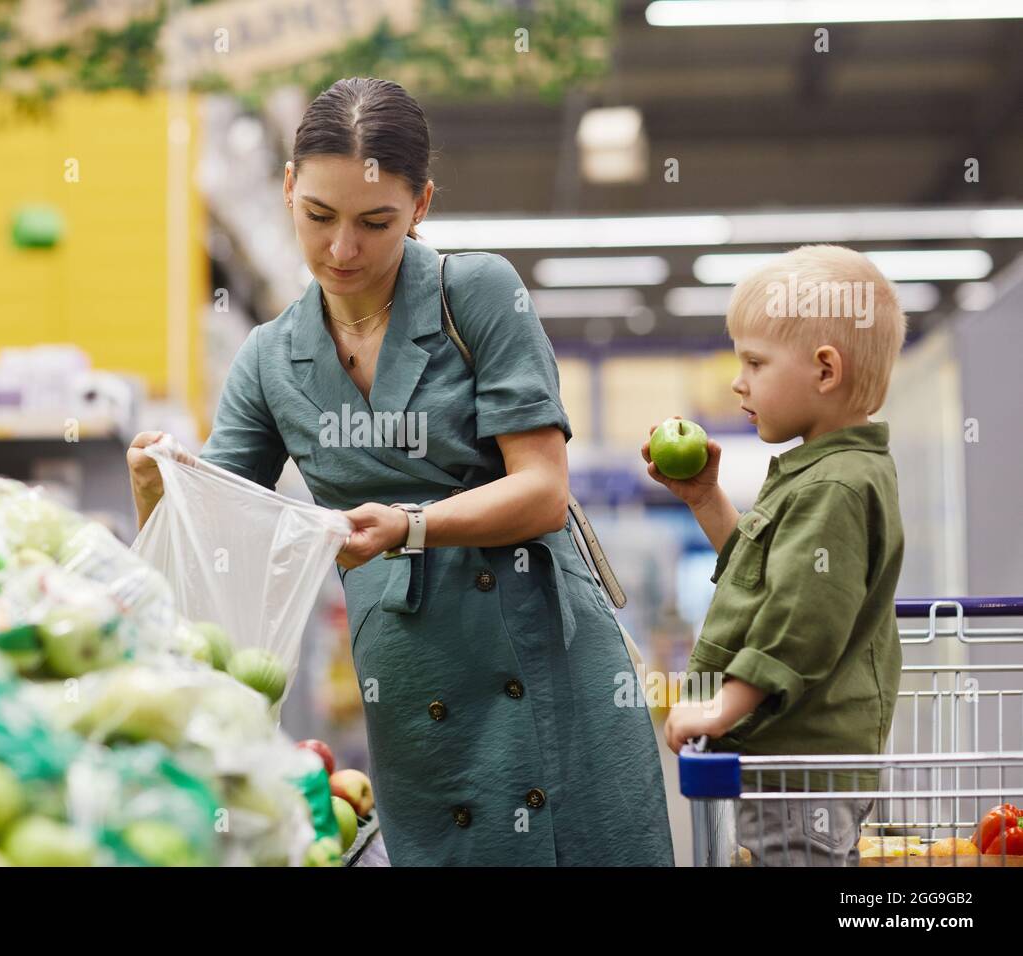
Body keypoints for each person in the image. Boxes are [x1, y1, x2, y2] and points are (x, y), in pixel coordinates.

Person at [128, 77, 673, 866]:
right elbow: (216, 551)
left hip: (543, 662)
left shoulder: (477, 293)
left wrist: (410, 526)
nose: (342, 250)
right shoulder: (269, 360)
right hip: (413, 688)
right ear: (287, 189)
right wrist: (160, 486)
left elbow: (543, 492)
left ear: (420, 206)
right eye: (318, 217)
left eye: (374, 222)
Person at [649, 244, 908, 866]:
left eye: (755, 361)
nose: (738, 381)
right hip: (796, 759)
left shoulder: (833, 485)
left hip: (802, 769)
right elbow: (769, 576)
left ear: (825, 370)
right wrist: (706, 498)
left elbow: (803, 621)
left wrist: (723, 705)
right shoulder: (822, 472)